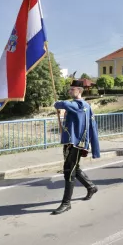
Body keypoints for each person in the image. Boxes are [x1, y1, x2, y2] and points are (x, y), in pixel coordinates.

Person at [52, 80, 100, 215]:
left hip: (77, 143)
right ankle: (91, 187)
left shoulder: (81, 105)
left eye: (72, 89)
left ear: (79, 90)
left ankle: (66, 203)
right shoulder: (76, 106)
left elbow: (64, 104)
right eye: (69, 89)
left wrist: (57, 104)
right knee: (74, 168)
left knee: (69, 170)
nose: (69, 91)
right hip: (70, 142)